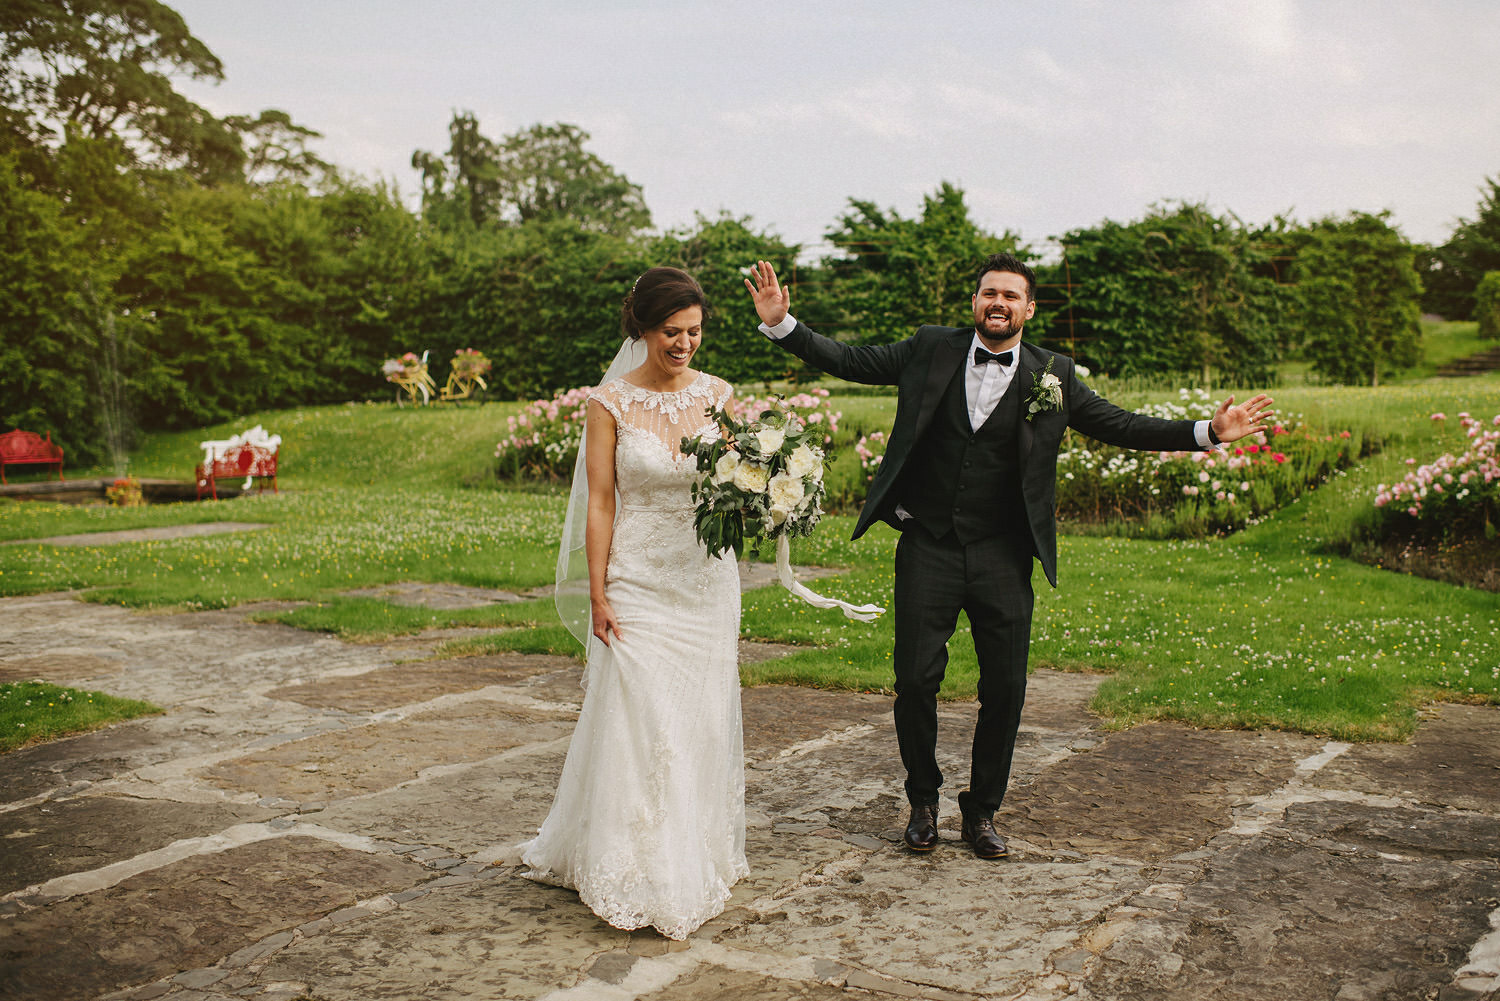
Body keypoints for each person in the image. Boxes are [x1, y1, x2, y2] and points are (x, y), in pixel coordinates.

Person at [744, 254, 1273, 860]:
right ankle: (923, 801)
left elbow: (1123, 425)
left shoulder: (1056, 374)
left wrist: (1207, 431)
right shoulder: (930, 348)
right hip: (929, 546)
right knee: (915, 680)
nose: (998, 303)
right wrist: (784, 324)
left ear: (1028, 308)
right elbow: (849, 360)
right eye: (988, 293)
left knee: (1007, 688)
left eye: (1010, 296)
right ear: (976, 302)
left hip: (1003, 553)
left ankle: (983, 812)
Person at [521, 267, 748, 939]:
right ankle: (629, 859)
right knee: (639, 716)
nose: (684, 345)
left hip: (706, 580)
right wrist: (597, 591)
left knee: (697, 717)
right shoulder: (609, 401)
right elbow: (599, 499)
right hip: (637, 578)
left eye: (695, 333)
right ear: (643, 329)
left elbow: (738, 480)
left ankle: (690, 848)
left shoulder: (719, 395)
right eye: (671, 333)